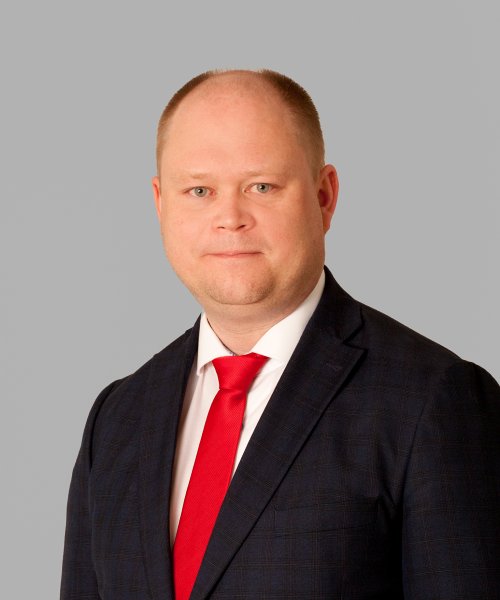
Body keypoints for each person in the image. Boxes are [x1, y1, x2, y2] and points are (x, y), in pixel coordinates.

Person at [60, 69, 500, 600]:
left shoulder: (433, 401)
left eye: (261, 186)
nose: (229, 218)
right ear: (160, 204)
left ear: (324, 196)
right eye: (199, 190)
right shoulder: (117, 418)